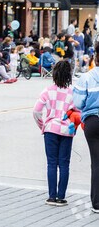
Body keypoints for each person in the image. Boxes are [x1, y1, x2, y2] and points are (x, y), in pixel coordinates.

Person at [34, 60, 77, 206]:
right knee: (64, 164)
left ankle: (51, 196)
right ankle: (61, 197)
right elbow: (78, 112)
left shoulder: (47, 91)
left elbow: (36, 111)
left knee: (51, 163)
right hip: (66, 130)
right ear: (69, 75)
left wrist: (43, 125)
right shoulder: (73, 92)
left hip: (50, 129)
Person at [74, 41, 99, 213]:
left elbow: (77, 102)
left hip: (93, 121)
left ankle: (97, 203)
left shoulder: (87, 77)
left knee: (96, 163)